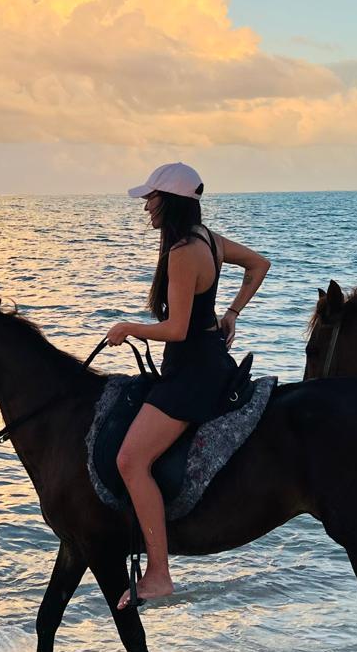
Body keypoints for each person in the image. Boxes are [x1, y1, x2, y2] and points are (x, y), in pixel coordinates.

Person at [104, 162, 270, 606]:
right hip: (210, 361)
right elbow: (259, 264)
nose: (146, 206)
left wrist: (129, 328)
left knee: (130, 460)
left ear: (170, 201)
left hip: (191, 374)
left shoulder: (182, 252)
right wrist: (231, 314)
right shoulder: (209, 241)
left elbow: (177, 329)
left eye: (151, 198)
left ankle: (158, 573)